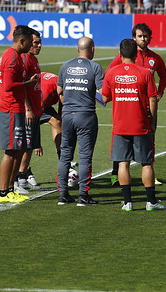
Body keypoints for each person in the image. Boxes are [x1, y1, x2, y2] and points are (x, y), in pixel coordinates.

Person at [101, 39, 166, 211]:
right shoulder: (145, 73)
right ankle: (151, 202)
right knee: (146, 163)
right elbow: (153, 98)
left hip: (120, 125)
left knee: (123, 163)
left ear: (120, 54)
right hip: (141, 124)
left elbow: (105, 98)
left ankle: (127, 202)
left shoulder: (112, 73)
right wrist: (152, 121)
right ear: (136, 54)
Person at [108, 23, 166, 185]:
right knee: (121, 142)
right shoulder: (123, 57)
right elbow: (110, 75)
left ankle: (148, 174)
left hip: (147, 107)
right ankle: (115, 174)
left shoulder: (155, 58)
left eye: (146, 36)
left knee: (149, 141)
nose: (143, 39)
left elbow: (164, 76)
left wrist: (159, 92)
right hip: (127, 105)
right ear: (134, 38)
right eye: (140, 36)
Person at [56, 37, 104, 206]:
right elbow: (102, 94)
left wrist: (70, 102)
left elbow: (59, 91)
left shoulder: (65, 66)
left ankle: (63, 194)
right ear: (92, 49)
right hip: (86, 115)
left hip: (67, 114)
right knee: (85, 157)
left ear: (78, 49)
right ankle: (83, 195)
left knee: (65, 156)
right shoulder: (95, 67)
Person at [0, 25, 39, 203]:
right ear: (22, 40)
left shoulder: (17, 56)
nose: (31, 45)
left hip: (17, 107)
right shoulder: (12, 57)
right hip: (10, 107)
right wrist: (27, 83)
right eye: (29, 41)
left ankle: (10, 188)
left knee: (18, 149)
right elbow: (8, 85)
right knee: (11, 151)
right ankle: (3, 192)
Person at [16, 30, 43, 193]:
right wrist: (28, 109)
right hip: (29, 110)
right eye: (35, 43)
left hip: (36, 108)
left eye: (40, 43)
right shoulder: (25, 59)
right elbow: (23, 86)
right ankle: (20, 178)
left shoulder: (34, 59)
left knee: (30, 145)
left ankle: (23, 176)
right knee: (24, 146)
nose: (39, 46)